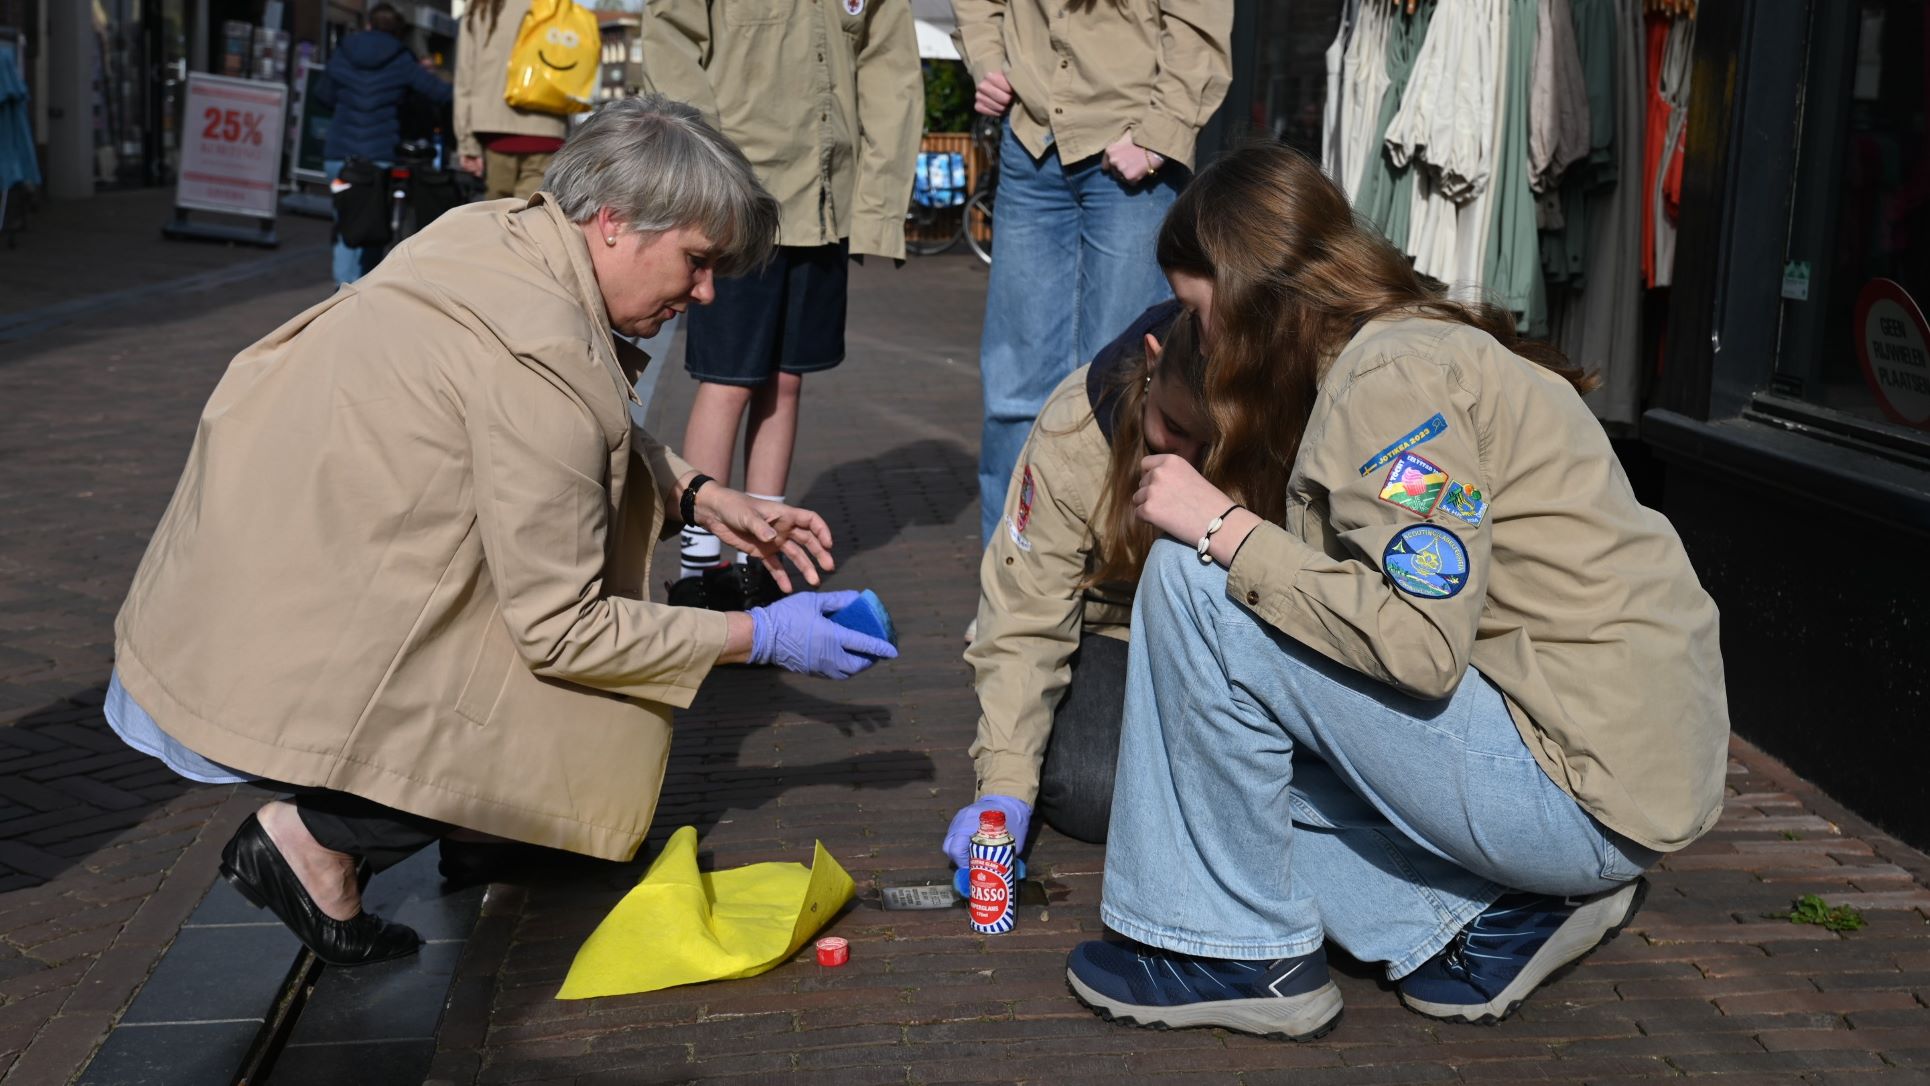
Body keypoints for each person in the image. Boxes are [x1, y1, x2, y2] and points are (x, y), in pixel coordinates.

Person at [105, 97, 897, 968]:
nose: (703, 293)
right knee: (568, 668)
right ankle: (315, 841)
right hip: (306, 620)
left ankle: (486, 834)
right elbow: (565, 627)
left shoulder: (499, 234)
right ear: (614, 224)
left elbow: (540, 426)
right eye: (697, 262)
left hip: (251, 561)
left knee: (546, 619)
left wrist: (700, 494)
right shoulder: (546, 363)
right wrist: (763, 636)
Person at [1061, 143, 1730, 1040]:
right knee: (1216, 792)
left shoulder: (1390, 381)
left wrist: (1222, 527)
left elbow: (1418, 643)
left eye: (1198, 308)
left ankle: (1229, 954)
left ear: (1252, 289)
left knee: (1193, 577)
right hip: (1592, 774)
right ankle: (1480, 923)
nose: (1201, 339)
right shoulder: (1390, 353)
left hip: (1580, 789)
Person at [643, 0, 922, 611]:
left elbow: (888, 67)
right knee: (728, 382)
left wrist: (878, 202)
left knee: (785, 383)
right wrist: (706, 169)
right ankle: (698, 566)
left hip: (823, 199)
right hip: (741, 199)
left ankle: (758, 557)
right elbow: (669, 40)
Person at [949, 0, 1234, 551]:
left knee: (1125, 385)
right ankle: (1010, 578)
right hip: (1031, 143)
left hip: (1129, 152)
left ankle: (1104, 576)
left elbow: (1198, 22)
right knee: (1013, 389)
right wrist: (986, 58)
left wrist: (1161, 131)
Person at [941, 299, 1203, 865]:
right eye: (1176, 429)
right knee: (1090, 793)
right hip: (1120, 628)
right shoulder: (1077, 429)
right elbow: (1024, 621)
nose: (1186, 460)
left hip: (1235, 631)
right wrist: (1004, 790)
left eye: (1211, 440)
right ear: (1152, 364)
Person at [314, 3, 453, 285]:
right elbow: (439, 94)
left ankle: (344, 289)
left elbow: (323, 96)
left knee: (346, 221)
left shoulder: (343, 51)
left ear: (368, 24)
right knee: (373, 223)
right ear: (399, 31)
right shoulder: (402, 59)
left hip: (339, 155)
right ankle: (357, 291)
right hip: (378, 156)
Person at [454, 0, 570, 200]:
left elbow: (466, 78)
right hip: (547, 125)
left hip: (495, 128)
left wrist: (467, 144)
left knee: (497, 217)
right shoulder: (557, 4)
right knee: (534, 217)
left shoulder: (481, 7)